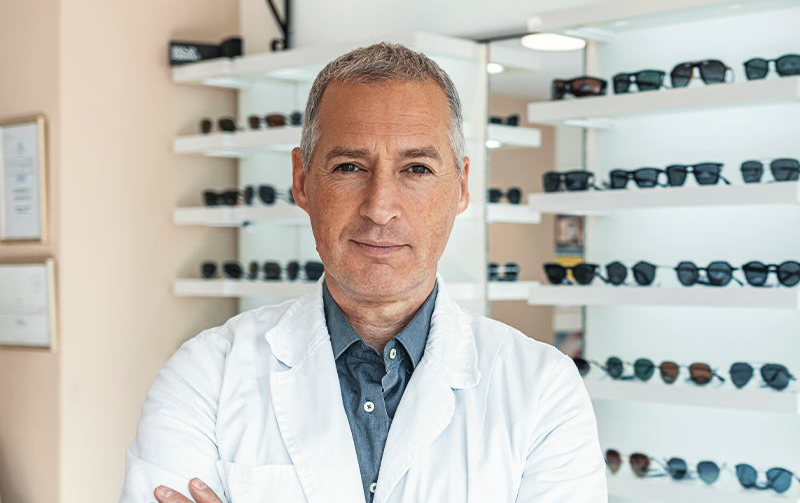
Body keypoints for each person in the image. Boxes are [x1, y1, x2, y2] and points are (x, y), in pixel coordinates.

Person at [119, 42, 607, 503]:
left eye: (415, 169)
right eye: (351, 166)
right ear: (302, 180)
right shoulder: (205, 375)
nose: (380, 209)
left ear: (460, 186)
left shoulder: (543, 390)